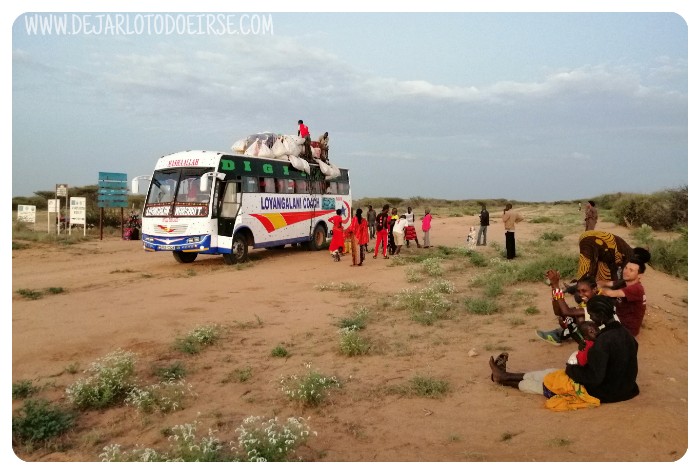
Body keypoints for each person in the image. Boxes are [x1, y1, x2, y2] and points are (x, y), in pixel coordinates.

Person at [489, 295, 639, 409]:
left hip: (605, 392)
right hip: (625, 389)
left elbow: (594, 378)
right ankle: (505, 376)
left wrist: (571, 369)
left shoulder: (603, 341)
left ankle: (503, 379)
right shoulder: (626, 334)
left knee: (550, 384)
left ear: (600, 315)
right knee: (552, 374)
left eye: (592, 315)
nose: (591, 318)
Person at [536, 272, 599, 346]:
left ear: (595, 289)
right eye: (579, 291)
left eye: (584, 291)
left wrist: (556, 285)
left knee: (579, 318)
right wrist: (553, 287)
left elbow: (566, 311)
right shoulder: (587, 302)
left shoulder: (599, 303)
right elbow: (559, 312)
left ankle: (588, 347)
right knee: (564, 320)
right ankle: (585, 346)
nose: (581, 295)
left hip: (605, 338)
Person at [598, 254, 649, 337]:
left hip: (627, 330)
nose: (625, 272)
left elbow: (610, 293)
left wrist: (595, 289)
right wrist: (595, 283)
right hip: (618, 318)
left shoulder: (636, 289)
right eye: (625, 268)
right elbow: (608, 283)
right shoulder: (625, 282)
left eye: (631, 270)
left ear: (639, 276)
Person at [576, 231, 649, 282]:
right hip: (591, 240)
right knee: (586, 268)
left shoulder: (625, 248)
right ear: (637, 257)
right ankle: (578, 290)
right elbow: (622, 276)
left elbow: (614, 268)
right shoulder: (629, 255)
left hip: (586, 236)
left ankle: (577, 286)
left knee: (600, 273)